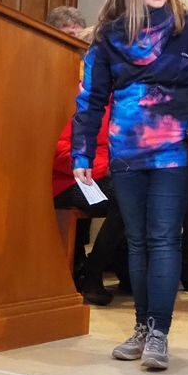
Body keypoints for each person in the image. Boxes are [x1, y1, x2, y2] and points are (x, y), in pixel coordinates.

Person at [71, 0, 188, 371]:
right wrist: (83, 152)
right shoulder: (109, 37)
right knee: (136, 241)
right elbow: (91, 99)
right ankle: (141, 326)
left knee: (163, 238)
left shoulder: (187, 25)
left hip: (176, 149)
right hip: (128, 151)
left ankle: (159, 334)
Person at [52, 104, 124, 306]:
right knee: (126, 198)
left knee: (141, 193)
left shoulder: (122, 104)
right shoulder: (81, 103)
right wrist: (105, 166)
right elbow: (59, 152)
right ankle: (92, 272)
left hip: (105, 176)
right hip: (69, 180)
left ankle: (126, 270)